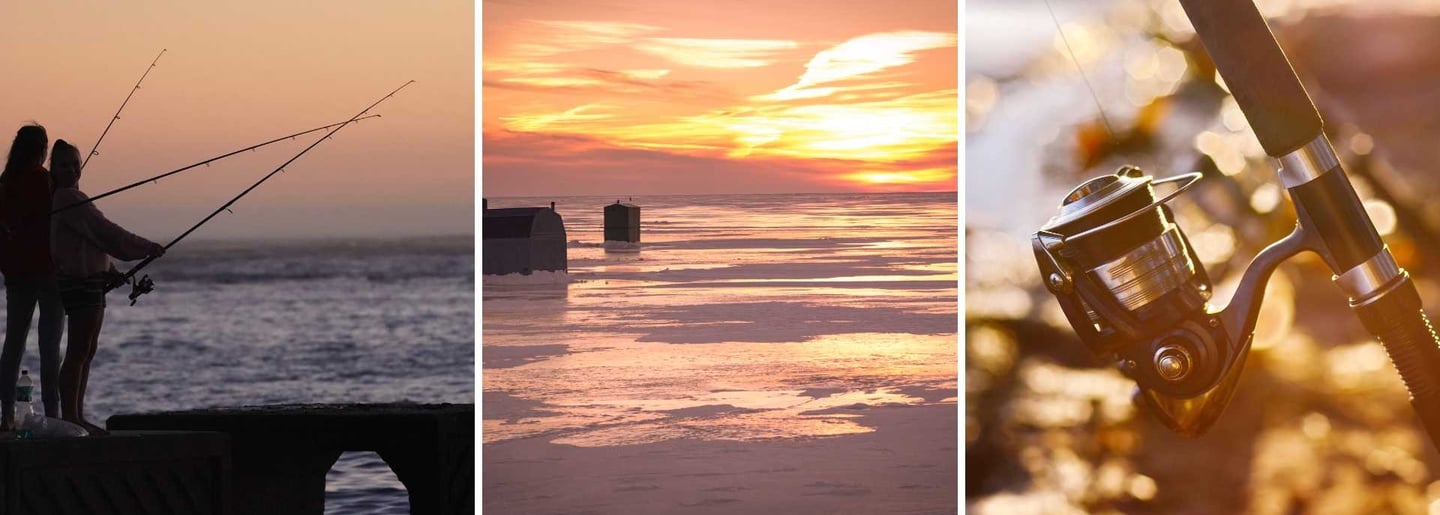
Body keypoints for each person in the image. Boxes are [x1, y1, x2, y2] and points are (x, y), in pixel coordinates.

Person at [49, 139, 163, 434]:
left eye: (75, 163)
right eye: (63, 164)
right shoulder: (67, 198)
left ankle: (78, 415)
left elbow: (91, 243)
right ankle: (71, 418)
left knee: (88, 350)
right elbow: (104, 230)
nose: (71, 169)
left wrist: (111, 270)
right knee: (78, 351)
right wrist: (144, 246)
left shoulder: (74, 198)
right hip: (80, 283)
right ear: (53, 169)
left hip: (94, 280)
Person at [0, 124, 64, 431]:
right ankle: (53, 415)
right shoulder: (43, 179)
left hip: (15, 274)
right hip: (48, 272)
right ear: (41, 150)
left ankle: (6, 416)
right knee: (49, 346)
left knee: (13, 345)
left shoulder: (5, 183)